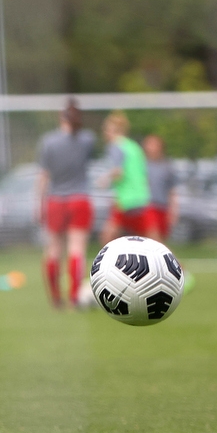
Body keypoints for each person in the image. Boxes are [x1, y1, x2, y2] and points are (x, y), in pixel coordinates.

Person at [36, 99, 96, 308]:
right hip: (79, 199)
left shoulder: (49, 142)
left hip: (56, 200)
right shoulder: (87, 139)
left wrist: (39, 204)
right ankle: (74, 296)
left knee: (53, 250)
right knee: (76, 249)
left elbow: (43, 176)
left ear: (61, 116)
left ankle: (55, 297)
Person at [99, 111, 154, 243]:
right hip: (141, 198)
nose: (105, 133)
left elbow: (118, 171)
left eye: (107, 130)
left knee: (107, 238)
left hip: (126, 201)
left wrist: (105, 178)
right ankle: (175, 263)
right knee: (153, 242)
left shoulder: (115, 146)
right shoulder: (134, 147)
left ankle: (108, 263)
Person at [143, 134, 178, 242]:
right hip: (148, 207)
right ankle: (173, 259)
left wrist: (174, 211)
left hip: (162, 207)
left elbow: (172, 191)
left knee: (160, 241)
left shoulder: (167, 167)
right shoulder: (141, 165)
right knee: (154, 237)